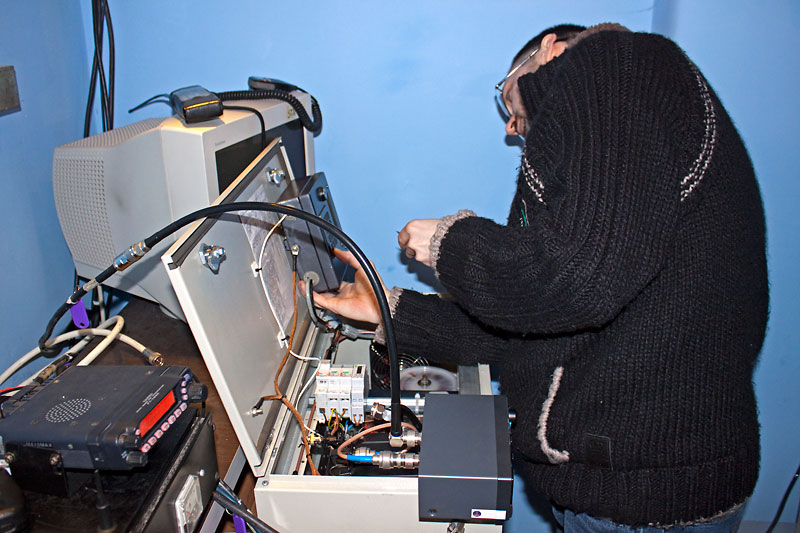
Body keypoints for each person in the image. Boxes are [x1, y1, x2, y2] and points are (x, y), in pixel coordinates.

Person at [311, 23, 769, 531]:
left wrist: (450, 243)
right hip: (627, 490)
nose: (510, 126)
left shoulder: (617, 60)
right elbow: (529, 326)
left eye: (506, 97)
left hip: (647, 501)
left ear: (551, 49)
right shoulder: (609, 145)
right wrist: (390, 310)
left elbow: (577, 280)